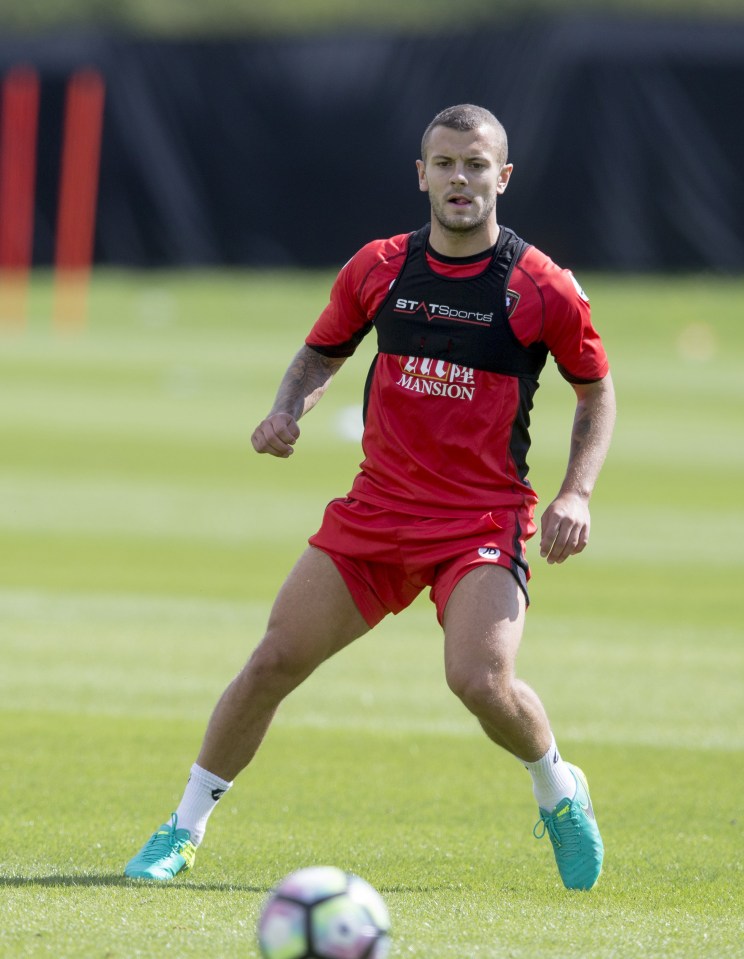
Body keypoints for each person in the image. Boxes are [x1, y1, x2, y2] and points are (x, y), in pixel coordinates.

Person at [125, 103, 616, 891]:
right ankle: (182, 828)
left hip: (479, 521)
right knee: (272, 660)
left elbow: (596, 394)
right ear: (421, 174)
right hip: (379, 511)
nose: (462, 178)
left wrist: (578, 493)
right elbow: (320, 354)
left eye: (477, 164)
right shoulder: (380, 267)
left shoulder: (541, 288)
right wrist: (287, 408)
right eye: (447, 163)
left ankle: (558, 787)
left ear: (504, 177)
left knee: (479, 681)